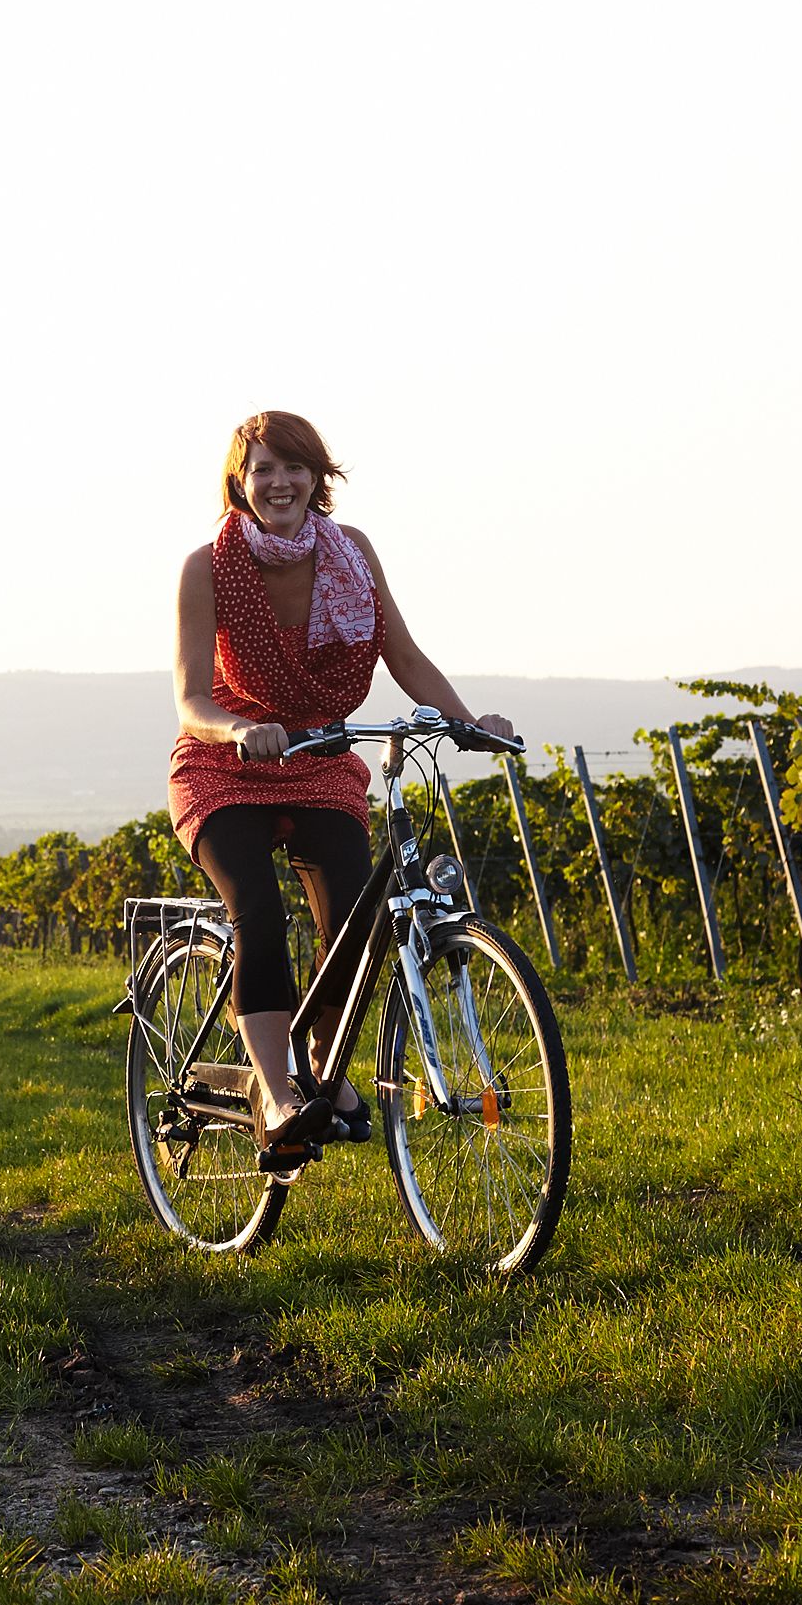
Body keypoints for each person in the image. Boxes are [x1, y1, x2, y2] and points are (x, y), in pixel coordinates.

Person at [169, 411, 508, 1156]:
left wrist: (466, 720)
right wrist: (239, 730)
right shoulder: (208, 567)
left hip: (321, 759)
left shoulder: (350, 554)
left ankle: (323, 1070)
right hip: (229, 767)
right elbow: (192, 698)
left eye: (294, 467)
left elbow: (404, 656)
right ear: (240, 481)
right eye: (263, 469)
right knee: (258, 913)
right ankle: (279, 1097)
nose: (279, 482)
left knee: (355, 922)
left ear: (318, 477)